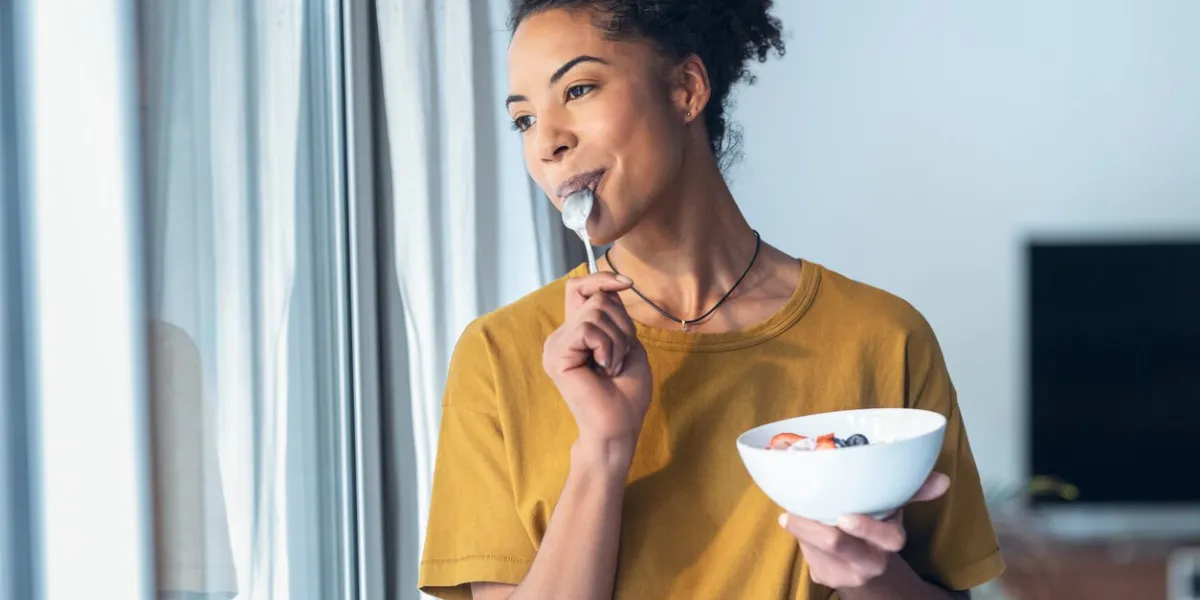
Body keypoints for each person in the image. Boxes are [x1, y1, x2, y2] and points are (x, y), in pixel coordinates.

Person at [418, 1, 1005, 598]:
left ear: (685, 89)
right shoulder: (500, 355)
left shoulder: (884, 337)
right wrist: (603, 449)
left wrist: (874, 578)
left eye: (579, 89)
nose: (547, 142)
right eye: (523, 120)